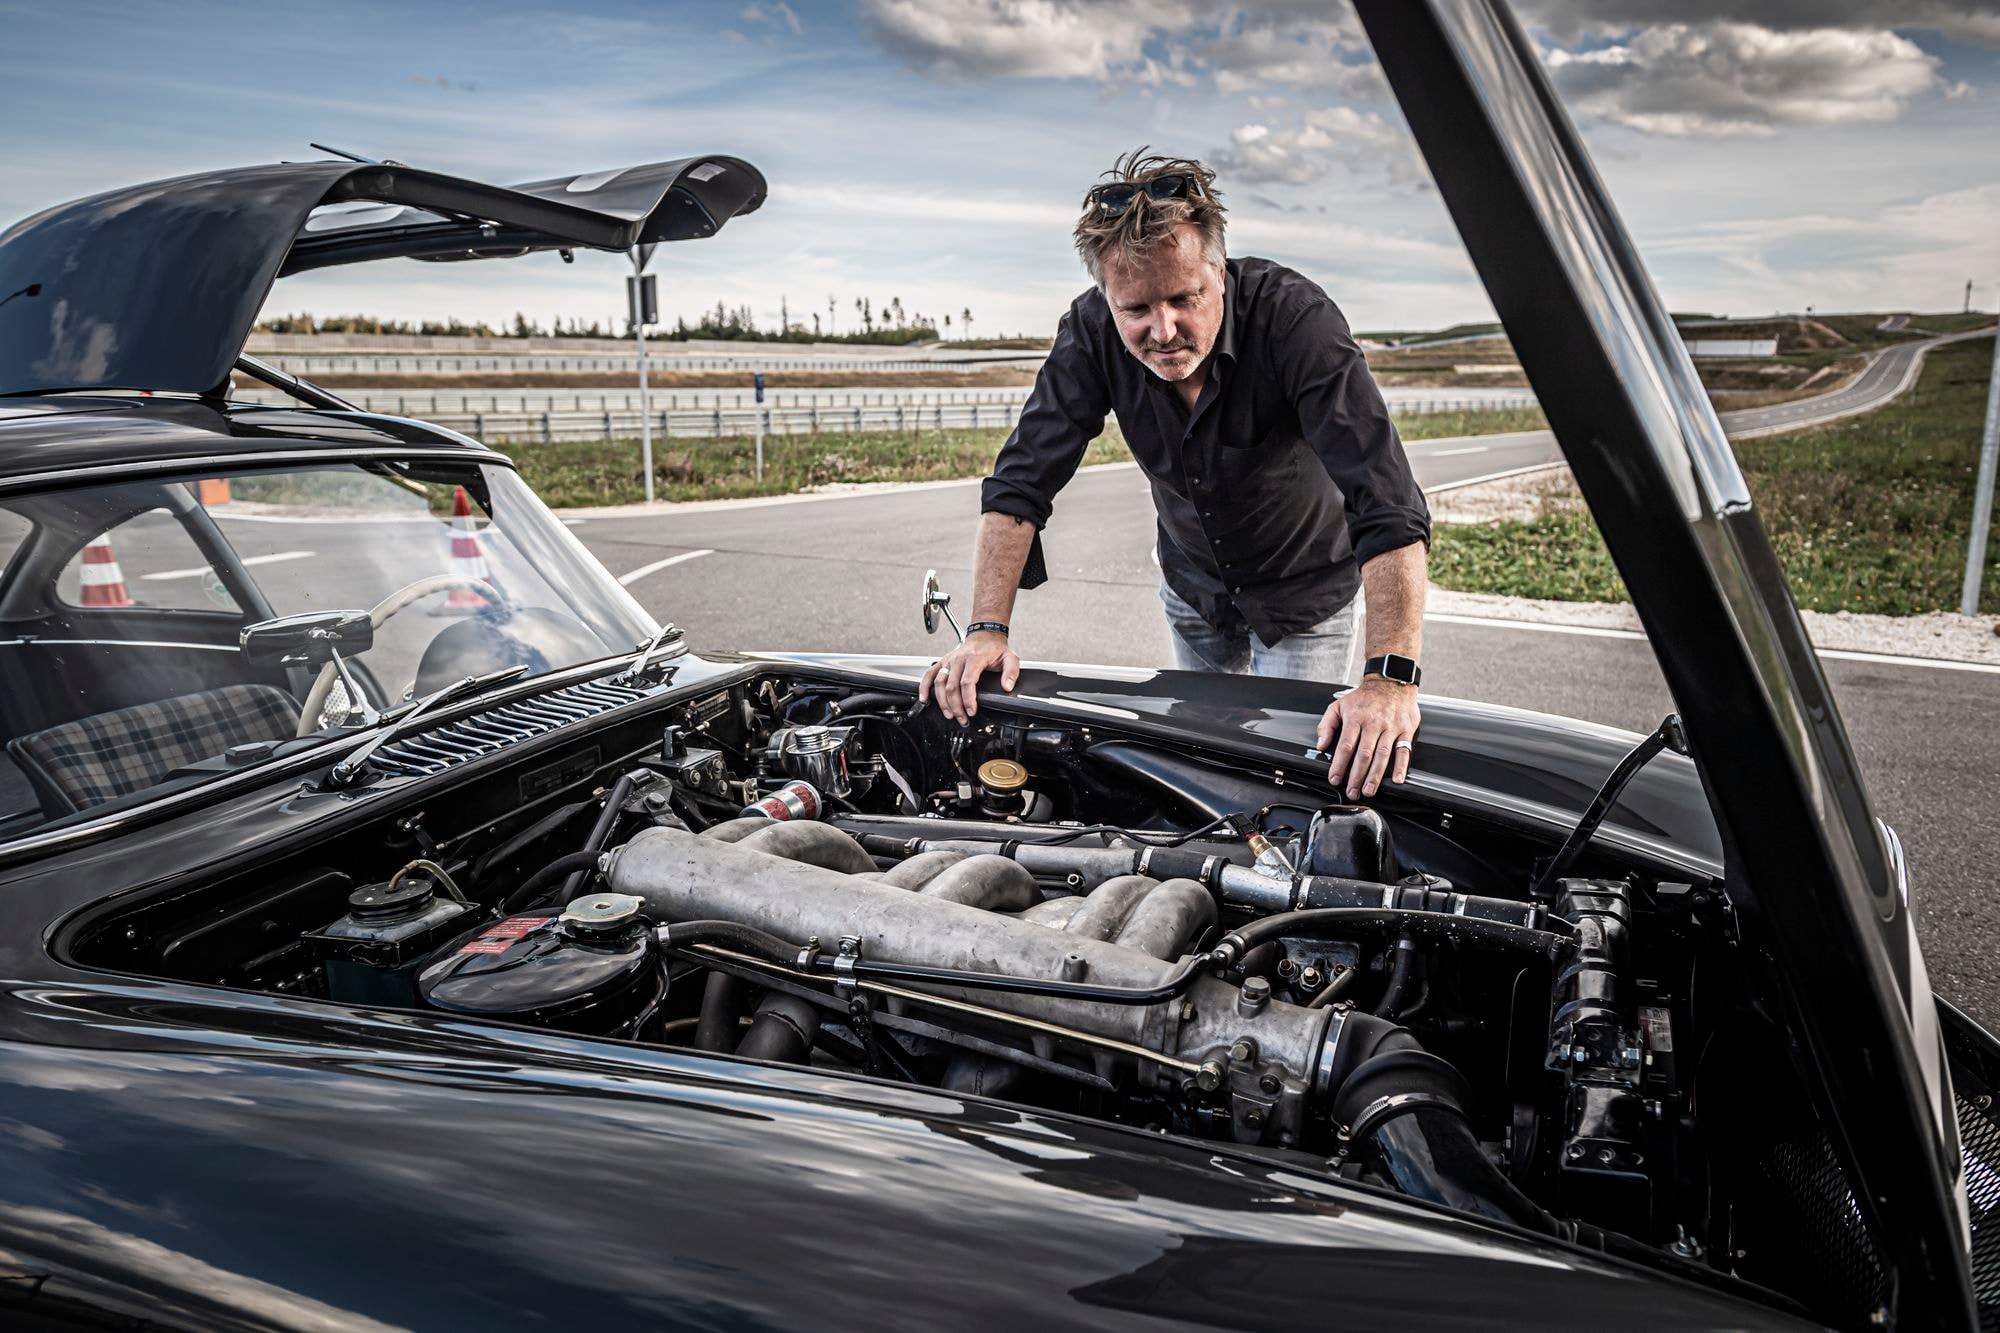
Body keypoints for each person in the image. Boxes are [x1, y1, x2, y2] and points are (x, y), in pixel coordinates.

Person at [919, 150, 1432, 801]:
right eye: (1135, 308)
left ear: (1218, 271)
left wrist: (1389, 679)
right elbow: (1020, 481)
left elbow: (1385, 500)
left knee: (1293, 774)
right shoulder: (1090, 332)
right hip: (1194, 589)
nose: (1164, 331)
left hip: (1303, 593)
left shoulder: (1297, 322)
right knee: (1202, 763)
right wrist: (987, 630)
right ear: (1107, 295)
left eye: (1184, 298)